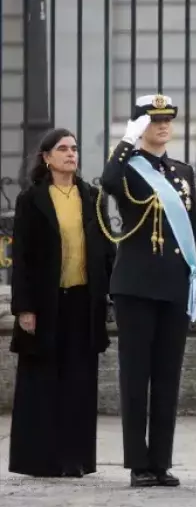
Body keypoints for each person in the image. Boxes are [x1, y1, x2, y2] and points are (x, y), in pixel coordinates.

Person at [99, 94, 196, 487]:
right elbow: (108, 182)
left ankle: (160, 461)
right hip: (137, 286)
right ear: (140, 126)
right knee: (135, 377)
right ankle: (138, 463)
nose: (162, 126)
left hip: (175, 284)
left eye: (166, 120)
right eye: (153, 120)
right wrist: (125, 143)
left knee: (167, 376)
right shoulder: (128, 167)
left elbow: (192, 231)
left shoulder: (182, 170)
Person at [8, 128, 114, 478]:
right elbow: (22, 257)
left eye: (74, 148)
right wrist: (24, 307)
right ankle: (39, 458)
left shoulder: (93, 196)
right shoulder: (31, 199)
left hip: (83, 303)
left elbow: (106, 248)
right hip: (46, 304)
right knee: (43, 381)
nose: (71, 154)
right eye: (63, 149)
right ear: (47, 157)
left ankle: (75, 459)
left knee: (79, 383)